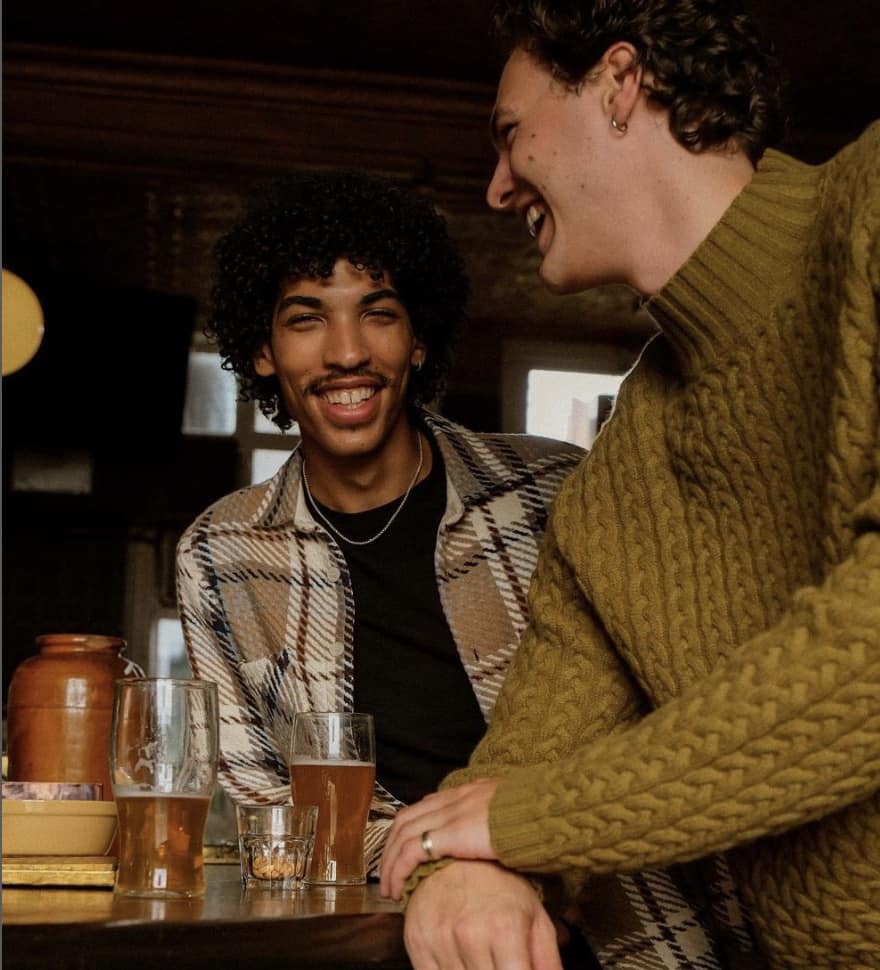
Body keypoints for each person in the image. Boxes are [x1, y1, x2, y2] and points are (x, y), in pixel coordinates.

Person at [379, 2, 880, 969]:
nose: (493, 188)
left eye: (509, 134)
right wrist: (468, 869)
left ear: (619, 84)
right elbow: (522, 761)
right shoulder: (619, 482)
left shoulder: (870, 205)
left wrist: (527, 826)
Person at [175, 170, 584, 878]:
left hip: (596, 913)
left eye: (379, 313)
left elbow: (628, 736)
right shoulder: (218, 555)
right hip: (378, 927)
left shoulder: (555, 493)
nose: (346, 353)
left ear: (418, 339)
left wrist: (500, 851)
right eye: (306, 318)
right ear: (264, 351)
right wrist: (445, 867)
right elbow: (262, 812)